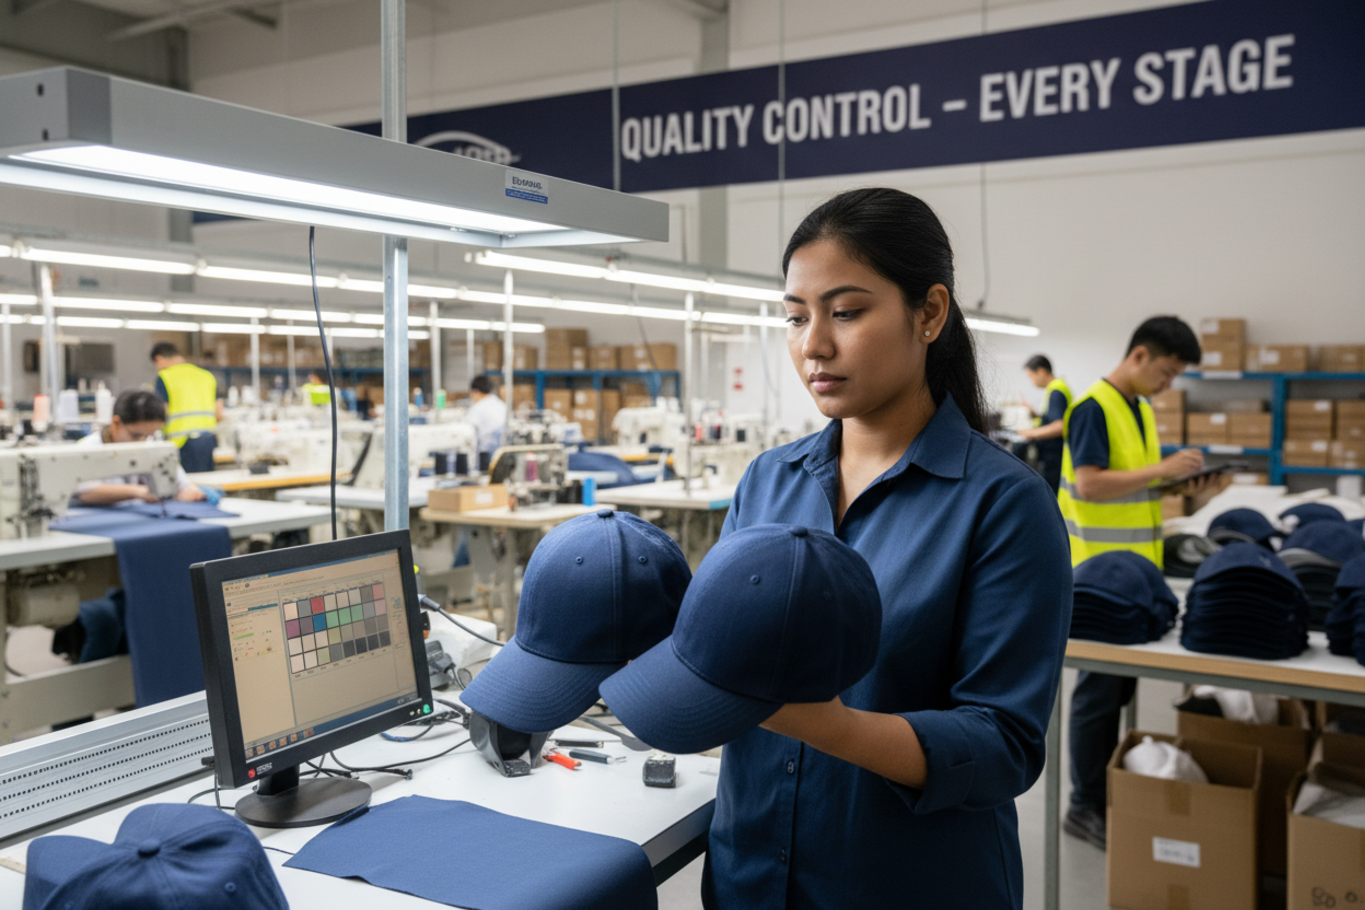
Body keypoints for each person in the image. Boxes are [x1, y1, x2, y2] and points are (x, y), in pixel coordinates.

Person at [705, 188, 1072, 908]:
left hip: (903, 882)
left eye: (844, 312)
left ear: (928, 313)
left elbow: (1001, 743)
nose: (812, 343)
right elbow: (715, 650)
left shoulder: (1003, 505)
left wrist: (821, 723)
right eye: (793, 316)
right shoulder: (767, 483)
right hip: (749, 872)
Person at [1057, 316, 1207, 850]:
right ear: (1139, 356)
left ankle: (1102, 792)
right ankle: (1082, 805)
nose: (1168, 385)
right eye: (1166, 372)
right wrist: (1162, 471)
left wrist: (1193, 489)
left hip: (1134, 576)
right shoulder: (1093, 407)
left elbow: (1135, 492)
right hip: (1097, 578)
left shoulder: (1139, 408)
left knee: (1118, 693)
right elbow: (1092, 485)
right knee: (1096, 697)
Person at [74, 390, 207, 504]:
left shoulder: (152, 446)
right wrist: (138, 491)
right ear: (116, 423)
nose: (142, 442)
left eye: (149, 435)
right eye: (136, 435)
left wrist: (189, 493)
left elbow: (182, 484)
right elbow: (84, 491)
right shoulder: (87, 449)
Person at [150, 342, 223, 474]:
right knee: (206, 484)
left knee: (188, 488)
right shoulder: (206, 375)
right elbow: (219, 414)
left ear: (158, 359)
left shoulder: (165, 377)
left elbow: (161, 413)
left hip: (182, 443)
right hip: (208, 441)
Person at [1015, 354, 1071, 493]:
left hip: (1055, 455)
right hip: (1054, 453)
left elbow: (1060, 426)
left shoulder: (1056, 392)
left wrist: (1029, 433)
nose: (1031, 381)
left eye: (1031, 376)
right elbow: (1051, 419)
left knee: (1052, 492)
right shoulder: (1054, 388)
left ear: (1041, 371)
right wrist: (1033, 413)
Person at [465, 374, 507, 467]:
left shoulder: (476, 409)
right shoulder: (502, 405)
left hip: (486, 459)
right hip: (503, 456)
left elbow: (466, 433)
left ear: (476, 392)